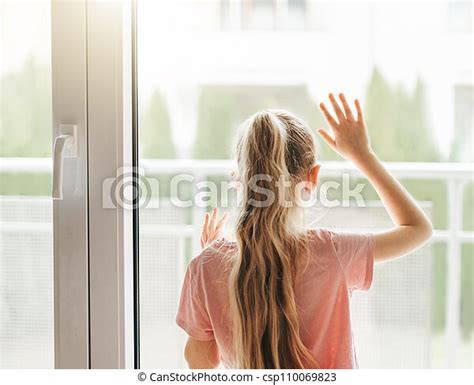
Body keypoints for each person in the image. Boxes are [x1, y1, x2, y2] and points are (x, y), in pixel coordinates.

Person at [176, 93, 433, 369]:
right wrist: (363, 156)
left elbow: (201, 364)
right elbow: (418, 228)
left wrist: (209, 263)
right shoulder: (334, 252)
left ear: (238, 181)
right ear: (312, 177)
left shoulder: (204, 267)